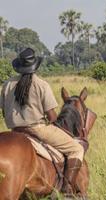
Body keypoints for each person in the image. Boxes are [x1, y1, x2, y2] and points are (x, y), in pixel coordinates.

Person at [0, 48, 84, 195]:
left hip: (14, 130)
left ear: (19, 66)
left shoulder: (7, 85)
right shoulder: (41, 84)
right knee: (77, 149)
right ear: (35, 66)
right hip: (38, 129)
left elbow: (3, 111)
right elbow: (52, 118)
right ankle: (68, 191)